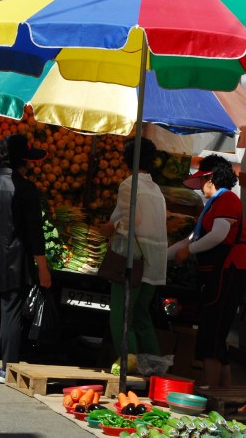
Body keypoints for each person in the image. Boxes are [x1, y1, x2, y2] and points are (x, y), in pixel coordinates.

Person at [0, 135, 51, 383]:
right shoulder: (27, 189)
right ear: (23, 161)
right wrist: (43, 268)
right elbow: (35, 233)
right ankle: (7, 368)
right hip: (14, 259)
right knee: (10, 311)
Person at [168, 154, 246, 388]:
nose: (201, 187)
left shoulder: (227, 200)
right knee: (214, 333)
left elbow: (218, 235)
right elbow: (190, 239)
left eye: (202, 181)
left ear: (211, 178)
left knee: (211, 333)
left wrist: (189, 251)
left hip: (227, 271)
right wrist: (162, 255)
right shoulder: (212, 205)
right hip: (217, 273)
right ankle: (223, 393)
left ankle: (212, 391)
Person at [100, 137, 168, 359]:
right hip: (155, 265)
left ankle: (129, 366)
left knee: (121, 317)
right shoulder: (156, 189)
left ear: (127, 159)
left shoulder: (129, 185)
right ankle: (155, 365)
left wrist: (111, 227)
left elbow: (132, 220)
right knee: (141, 316)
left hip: (133, 263)